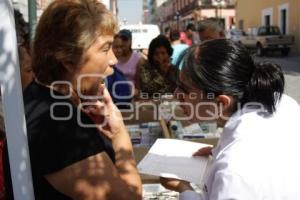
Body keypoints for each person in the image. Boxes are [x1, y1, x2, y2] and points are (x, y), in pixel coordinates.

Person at [4, 1, 142, 199]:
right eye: (105, 48)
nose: (113, 59)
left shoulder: (43, 100)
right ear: (68, 60)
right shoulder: (59, 123)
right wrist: (119, 135)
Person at [161, 39, 300, 199]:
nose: (176, 95)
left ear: (220, 103)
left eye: (184, 89)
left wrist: (183, 188)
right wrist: (219, 150)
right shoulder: (280, 101)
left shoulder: (233, 172)